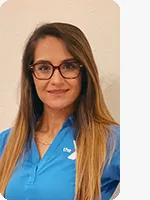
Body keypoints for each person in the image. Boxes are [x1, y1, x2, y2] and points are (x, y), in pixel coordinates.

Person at [0, 22, 120, 200]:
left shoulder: (112, 142)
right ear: (31, 76)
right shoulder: (6, 142)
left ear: (85, 73)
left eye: (69, 66)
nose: (56, 80)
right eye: (44, 68)